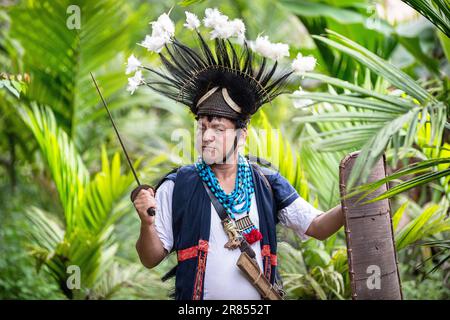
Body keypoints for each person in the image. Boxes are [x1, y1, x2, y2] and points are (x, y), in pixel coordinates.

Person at [128, 9, 344, 300]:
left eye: (217, 128)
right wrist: (146, 223)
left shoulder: (266, 182)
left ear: (241, 136)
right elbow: (150, 258)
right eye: (202, 126)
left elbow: (317, 227)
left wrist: (354, 203)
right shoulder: (178, 185)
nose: (206, 136)